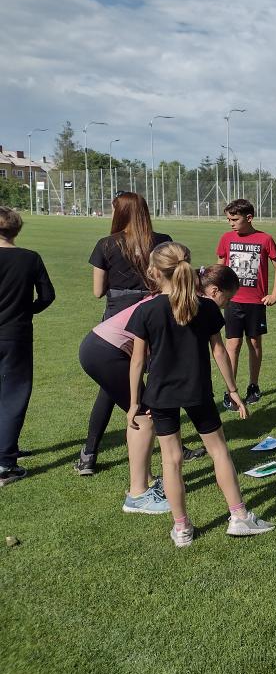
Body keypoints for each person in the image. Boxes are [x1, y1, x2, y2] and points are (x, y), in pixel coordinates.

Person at [125, 243, 274, 547]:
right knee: (219, 451)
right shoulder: (205, 306)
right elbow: (219, 351)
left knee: (171, 461)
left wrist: (134, 403)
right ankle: (239, 516)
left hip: (160, 395)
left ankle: (181, 528)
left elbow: (137, 361)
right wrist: (233, 390)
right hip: (198, 391)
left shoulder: (146, 310)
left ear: (156, 272)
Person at [79, 264, 240, 514]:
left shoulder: (179, 299)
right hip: (107, 351)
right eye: (226, 299)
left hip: (100, 347)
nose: (225, 305)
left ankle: (142, 481)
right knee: (144, 417)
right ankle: (138, 494)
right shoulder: (185, 304)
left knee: (143, 412)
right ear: (212, 290)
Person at [78, 192, 205, 474]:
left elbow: (98, 291)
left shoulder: (106, 243)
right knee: (158, 379)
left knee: (112, 387)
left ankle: (90, 453)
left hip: (119, 319)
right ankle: (175, 445)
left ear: (120, 212)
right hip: (156, 313)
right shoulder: (162, 240)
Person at [0, 208, 55, 486]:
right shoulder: (30, 258)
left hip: (13, 332)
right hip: (15, 334)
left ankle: (6, 448)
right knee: (13, 395)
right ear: (16, 230)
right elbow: (47, 295)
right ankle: (5, 463)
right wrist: (26, 310)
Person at [216, 198, 276, 410]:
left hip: (255, 302)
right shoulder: (226, 238)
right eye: (228, 219)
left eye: (234, 219)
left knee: (254, 343)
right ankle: (230, 390)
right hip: (232, 301)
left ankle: (253, 386)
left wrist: (274, 294)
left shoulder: (265, 239)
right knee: (232, 345)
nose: (231, 223)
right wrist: (216, 293)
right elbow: (219, 268)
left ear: (249, 218)